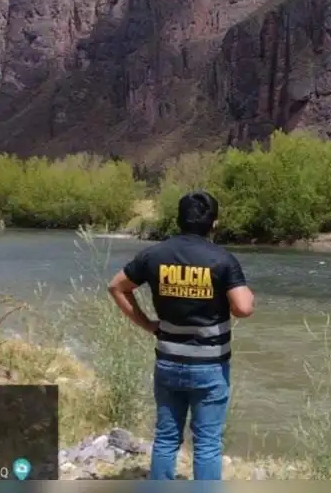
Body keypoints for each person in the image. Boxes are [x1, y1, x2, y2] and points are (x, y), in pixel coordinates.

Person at [107, 190, 255, 481]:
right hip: (210, 366)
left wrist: (147, 324)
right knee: (207, 444)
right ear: (214, 223)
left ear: (178, 220)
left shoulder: (154, 255)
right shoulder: (222, 260)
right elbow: (243, 308)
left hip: (168, 362)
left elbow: (116, 287)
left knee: (165, 438)